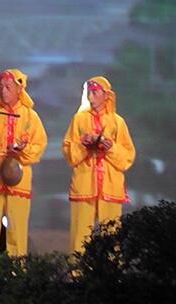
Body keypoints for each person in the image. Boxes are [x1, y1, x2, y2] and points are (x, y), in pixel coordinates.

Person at [0, 68, 47, 258]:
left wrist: (23, 150)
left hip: (19, 179)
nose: (4, 91)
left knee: (17, 230)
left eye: (8, 87)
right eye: (1, 87)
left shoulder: (31, 117)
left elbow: (39, 145)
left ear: (19, 89)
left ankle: (17, 273)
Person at [62, 76, 135, 254]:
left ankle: (110, 276)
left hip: (110, 187)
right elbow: (68, 151)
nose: (91, 97)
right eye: (89, 93)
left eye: (95, 93)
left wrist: (111, 148)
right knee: (79, 236)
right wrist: (83, 145)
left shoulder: (118, 122)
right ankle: (75, 276)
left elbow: (127, 156)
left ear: (106, 95)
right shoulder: (78, 120)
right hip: (83, 185)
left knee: (111, 236)